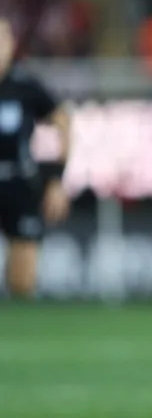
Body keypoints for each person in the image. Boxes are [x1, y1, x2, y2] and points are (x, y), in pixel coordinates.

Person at [0, 17, 72, 299]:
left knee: (23, 278)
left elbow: (63, 121)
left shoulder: (25, 86)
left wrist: (56, 179)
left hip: (18, 182)